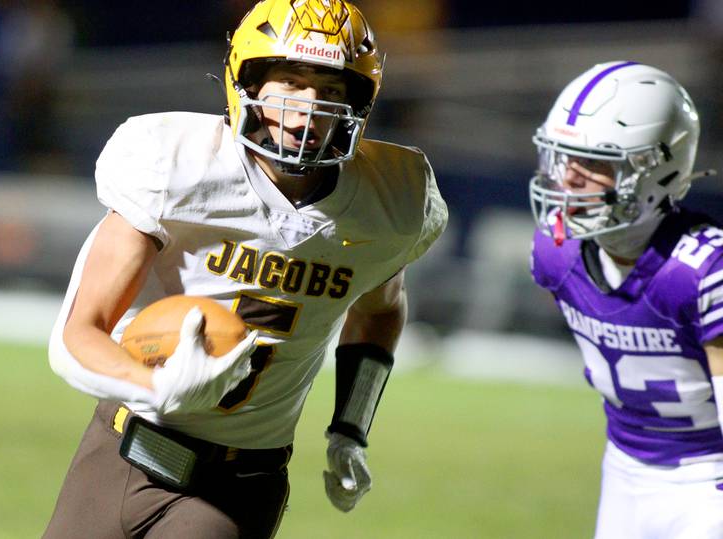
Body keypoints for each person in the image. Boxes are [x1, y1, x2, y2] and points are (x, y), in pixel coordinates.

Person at [44, 1, 448, 537]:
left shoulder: (391, 198)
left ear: (359, 101)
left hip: (238, 479)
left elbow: (381, 308)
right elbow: (77, 333)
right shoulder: (174, 163)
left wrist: (350, 427)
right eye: (290, 84)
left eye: (330, 91)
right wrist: (154, 385)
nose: (308, 110)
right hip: (121, 444)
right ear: (248, 84)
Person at [529, 61, 723, 538]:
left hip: (708, 478)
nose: (569, 180)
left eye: (594, 162)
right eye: (564, 158)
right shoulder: (556, 252)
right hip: (624, 469)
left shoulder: (700, 270)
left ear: (658, 172)